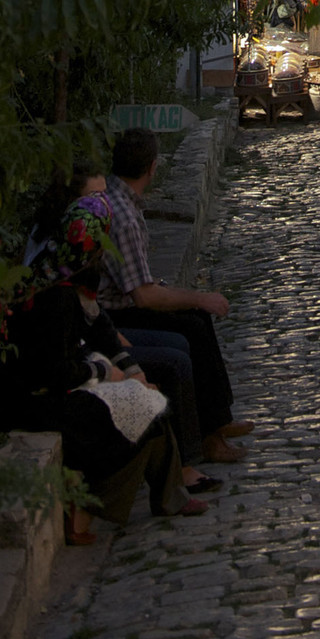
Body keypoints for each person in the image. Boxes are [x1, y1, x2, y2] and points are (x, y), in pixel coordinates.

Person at [0, 200, 206, 536]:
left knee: (151, 402)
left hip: (55, 387)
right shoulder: (56, 297)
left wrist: (133, 372)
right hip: (35, 401)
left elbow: (100, 329)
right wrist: (108, 375)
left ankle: (171, 495)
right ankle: (91, 507)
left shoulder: (62, 274)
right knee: (145, 415)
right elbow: (57, 371)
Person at [29, 167, 213, 488]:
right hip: (54, 385)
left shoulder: (82, 254)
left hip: (90, 352)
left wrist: (127, 363)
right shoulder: (55, 272)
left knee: (166, 361)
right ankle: (172, 475)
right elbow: (64, 355)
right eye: (94, 199)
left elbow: (96, 318)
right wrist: (109, 371)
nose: (104, 208)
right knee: (166, 371)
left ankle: (181, 470)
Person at [99, 129, 251, 466]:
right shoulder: (123, 217)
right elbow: (143, 297)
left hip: (120, 304)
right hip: (115, 316)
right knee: (191, 327)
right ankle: (207, 437)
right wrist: (198, 297)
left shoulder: (120, 200)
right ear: (152, 168)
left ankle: (218, 420)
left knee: (196, 319)